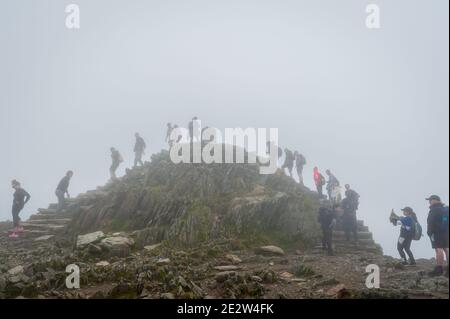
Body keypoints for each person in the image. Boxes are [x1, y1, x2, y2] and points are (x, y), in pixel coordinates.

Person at [426, 195, 449, 277]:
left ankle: (439, 269)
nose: (429, 201)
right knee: (446, 248)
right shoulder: (445, 208)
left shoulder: (434, 209)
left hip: (437, 232)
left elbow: (431, 221)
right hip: (446, 232)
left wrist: (429, 232)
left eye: (430, 200)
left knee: (438, 248)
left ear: (434, 200)